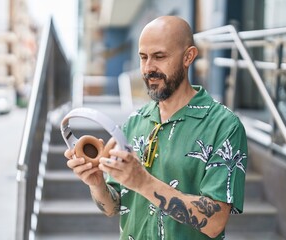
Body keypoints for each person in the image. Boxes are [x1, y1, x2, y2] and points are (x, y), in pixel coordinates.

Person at [65, 15, 247, 240]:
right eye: (143, 57)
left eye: (159, 57)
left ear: (188, 56)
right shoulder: (134, 121)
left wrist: (143, 181)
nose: (148, 68)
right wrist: (96, 183)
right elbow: (113, 207)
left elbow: (215, 222)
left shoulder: (224, 125)